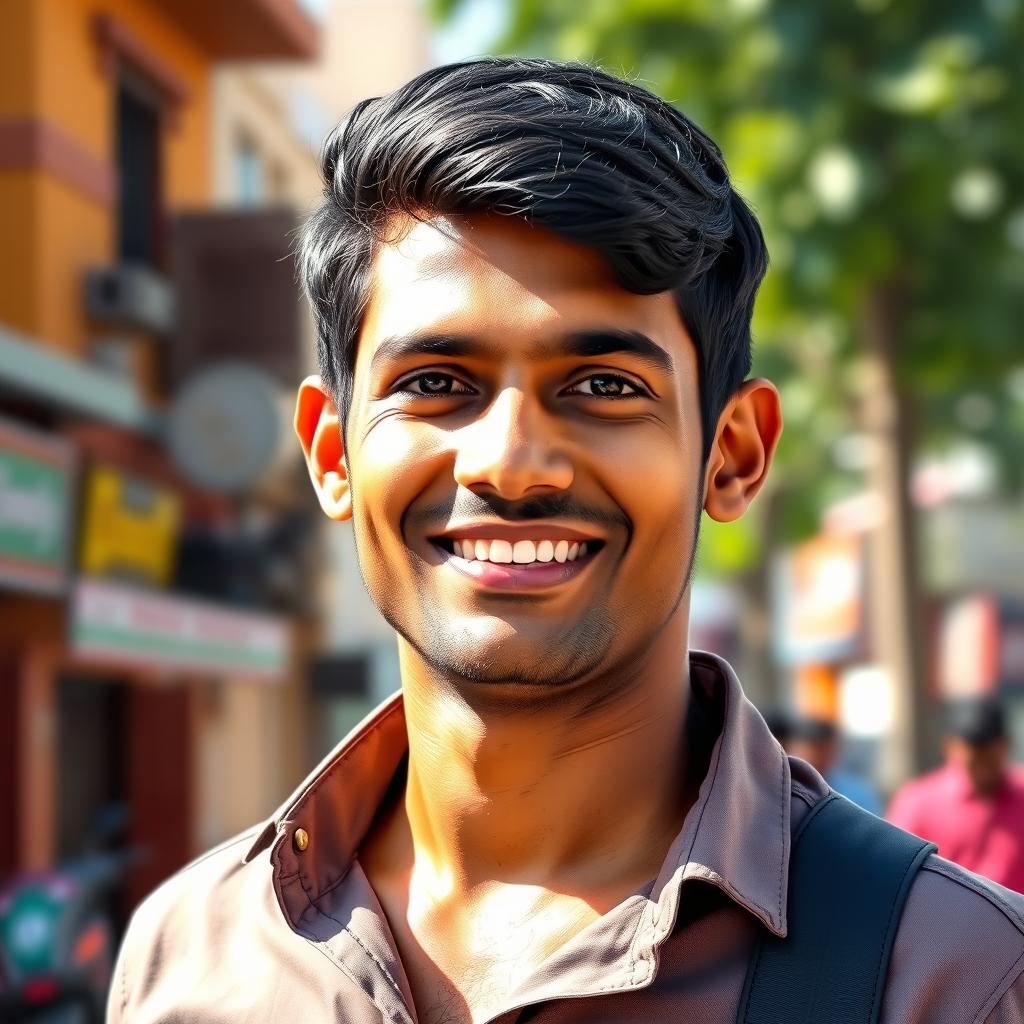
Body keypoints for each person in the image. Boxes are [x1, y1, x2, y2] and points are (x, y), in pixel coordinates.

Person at [108, 59, 1024, 1023]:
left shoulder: (951, 979)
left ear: (733, 456)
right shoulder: (191, 956)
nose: (510, 465)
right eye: (434, 383)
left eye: (603, 387)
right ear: (333, 455)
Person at [888, 696, 1024, 891]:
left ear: (1007, 745)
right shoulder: (919, 803)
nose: (983, 765)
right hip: (941, 919)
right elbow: (895, 871)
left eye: (990, 754)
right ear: (951, 747)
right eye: (975, 755)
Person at [784, 714, 884, 817]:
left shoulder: (857, 791)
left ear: (832, 749)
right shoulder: (783, 787)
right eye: (806, 747)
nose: (813, 754)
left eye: (820, 748)